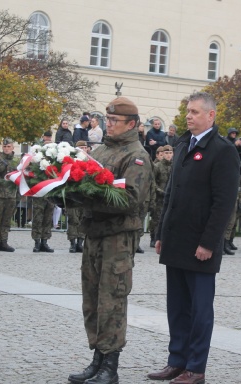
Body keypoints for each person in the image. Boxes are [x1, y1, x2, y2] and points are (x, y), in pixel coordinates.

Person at [147, 92, 240, 384]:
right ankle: (177, 361)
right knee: (177, 306)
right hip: (176, 240)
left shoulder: (223, 150)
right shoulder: (182, 142)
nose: (189, 116)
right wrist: (161, 233)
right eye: (188, 111)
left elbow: (224, 203)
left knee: (199, 310)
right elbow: (171, 194)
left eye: (195, 112)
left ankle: (196, 367)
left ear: (211, 116)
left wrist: (209, 243)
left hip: (200, 244)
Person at [68, 96, 153, 384]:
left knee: (112, 301)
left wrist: (86, 196)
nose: (109, 124)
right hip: (94, 234)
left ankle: (111, 366)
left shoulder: (136, 156)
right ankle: (97, 358)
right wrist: (66, 194)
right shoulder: (101, 150)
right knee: (91, 300)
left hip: (117, 238)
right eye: (108, 119)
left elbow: (129, 199)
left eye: (115, 120)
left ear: (131, 124)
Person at [31, 132, 56, 253]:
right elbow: (31, 173)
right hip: (39, 192)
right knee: (38, 217)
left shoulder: (54, 160)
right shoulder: (36, 158)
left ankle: (45, 241)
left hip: (50, 193)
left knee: (48, 218)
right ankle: (36, 242)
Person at [66, 140, 88, 253]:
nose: (84, 150)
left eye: (85, 147)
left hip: (84, 195)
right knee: (73, 219)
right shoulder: (72, 160)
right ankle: (72, 243)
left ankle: (80, 242)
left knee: (83, 219)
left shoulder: (90, 161)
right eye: (81, 147)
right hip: (73, 195)